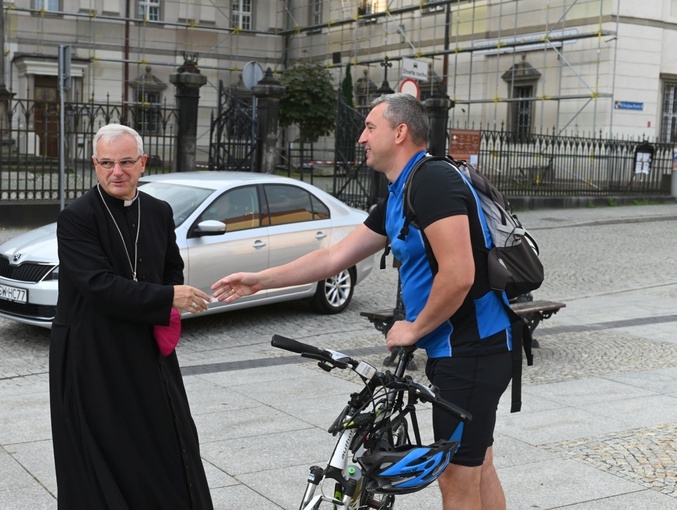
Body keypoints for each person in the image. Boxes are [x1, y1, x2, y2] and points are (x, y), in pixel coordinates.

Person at [212, 93, 513, 510]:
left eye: (371, 127)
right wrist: (260, 280)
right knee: (478, 466)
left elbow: (459, 273)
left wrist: (414, 326)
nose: (362, 138)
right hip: (463, 350)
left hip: (474, 349)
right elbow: (333, 257)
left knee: (457, 479)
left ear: (400, 132)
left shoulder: (433, 182)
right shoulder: (400, 193)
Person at [49, 123, 214, 509]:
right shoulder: (76, 218)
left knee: (167, 437)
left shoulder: (157, 211)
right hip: (93, 353)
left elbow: (172, 267)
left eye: (125, 162)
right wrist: (166, 297)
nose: (116, 172)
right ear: (94, 164)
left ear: (142, 163)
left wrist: (168, 296)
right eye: (106, 163)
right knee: (103, 448)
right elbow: (98, 286)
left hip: (143, 345)